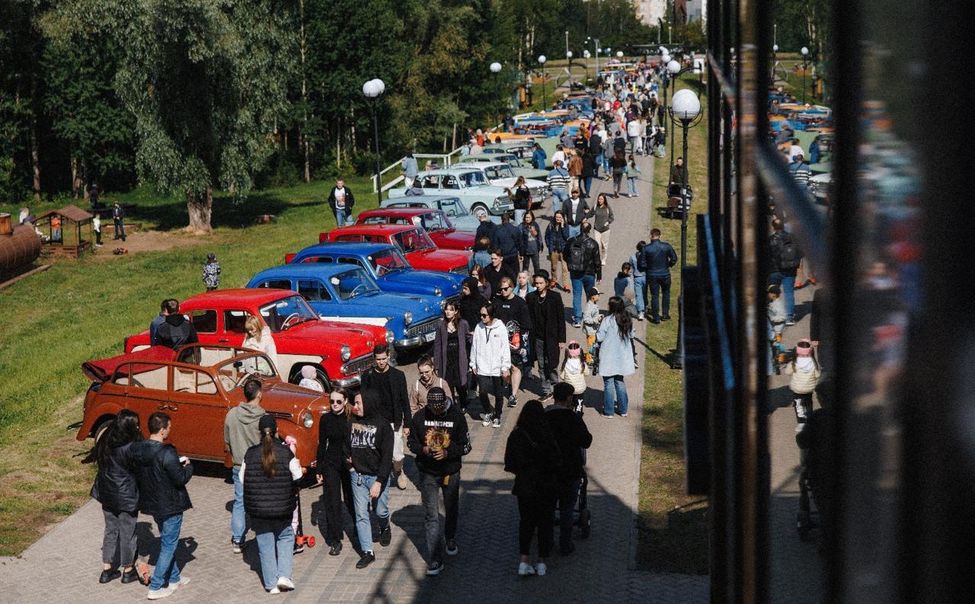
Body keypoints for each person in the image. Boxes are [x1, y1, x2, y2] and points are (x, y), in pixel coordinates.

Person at [407, 387, 470, 576]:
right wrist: (424, 450)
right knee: (431, 515)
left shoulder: (457, 416)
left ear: (445, 403)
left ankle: (450, 537)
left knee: (451, 508)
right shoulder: (419, 417)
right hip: (428, 473)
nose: (437, 412)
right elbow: (412, 443)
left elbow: (466, 446)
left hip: (450, 472)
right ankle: (435, 559)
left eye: (440, 409)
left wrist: (448, 452)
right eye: (433, 409)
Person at [130, 412, 192, 600]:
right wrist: (188, 466)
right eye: (169, 428)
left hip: (153, 503)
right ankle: (156, 586)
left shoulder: (138, 449)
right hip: (170, 504)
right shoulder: (166, 452)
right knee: (168, 545)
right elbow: (180, 478)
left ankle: (174, 579)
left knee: (167, 541)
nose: (170, 431)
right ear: (163, 430)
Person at [239, 414, 302, 593]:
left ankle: (270, 584)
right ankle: (284, 576)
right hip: (283, 508)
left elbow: (242, 479)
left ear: (259, 432)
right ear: (276, 431)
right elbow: (298, 476)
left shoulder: (250, 453)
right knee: (285, 538)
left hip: (258, 510)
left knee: (265, 542)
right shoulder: (285, 452)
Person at [84, 409, 144, 585]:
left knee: (111, 529)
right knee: (128, 532)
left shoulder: (106, 439)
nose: (139, 427)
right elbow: (139, 470)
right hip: (126, 495)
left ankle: (107, 569)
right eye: (137, 425)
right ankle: (128, 570)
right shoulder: (131, 447)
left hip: (106, 492)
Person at [503, 400, 560, 577]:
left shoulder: (516, 435)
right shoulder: (548, 434)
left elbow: (510, 464)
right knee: (545, 523)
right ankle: (542, 561)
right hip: (546, 485)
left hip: (525, 486)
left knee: (526, 524)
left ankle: (524, 561)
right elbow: (557, 460)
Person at [346, 389, 395, 569]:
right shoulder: (352, 422)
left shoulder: (383, 427)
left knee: (380, 510)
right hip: (357, 476)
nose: (355, 406)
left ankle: (385, 526)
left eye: (359, 403)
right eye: (355, 403)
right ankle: (368, 552)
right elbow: (345, 445)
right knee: (361, 514)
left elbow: (387, 457)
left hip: (377, 476)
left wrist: (379, 481)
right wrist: (350, 465)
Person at [545, 382, 593, 554]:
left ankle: (547, 543)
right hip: (569, 469)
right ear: (569, 398)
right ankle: (565, 544)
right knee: (567, 508)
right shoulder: (574, 419)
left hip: (548, 469)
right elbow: (586, 441)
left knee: (548, 507)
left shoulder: (544, 416)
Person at [360, 344, 411, 491]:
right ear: (374, 359)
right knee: (378, 452)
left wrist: (407, 423)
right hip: (375, 421)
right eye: (378, 359)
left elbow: (404, 401)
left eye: (384, 359)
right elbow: (363, 399)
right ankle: (381, 476)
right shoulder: (367, 376)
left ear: (388, 356)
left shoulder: (398, 375)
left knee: (397, 454)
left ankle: (398, 470)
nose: (381, 362)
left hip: (393, 421)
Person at [224, 378, 266, 553]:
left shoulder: (232, 414)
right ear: (259, 394)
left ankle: (237, 539)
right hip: (257, 465)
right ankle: (264, 533)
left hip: (238, 463)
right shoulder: (263, 417)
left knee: (240, 501)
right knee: (261, 500)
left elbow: (227, 442)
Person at [316, 388, 355, 556]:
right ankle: (335, 539)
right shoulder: (325, 419)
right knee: (332, 501)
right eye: (332, 401)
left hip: (348, 462)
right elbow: (322, 444)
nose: (334, 405)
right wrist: (319, 468)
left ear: (345, 401)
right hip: (331, 463)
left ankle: (358, 528)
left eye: (338, 401)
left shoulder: (351, 418)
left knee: (351, 497)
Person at [470, 301, 512, 428]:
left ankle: (497, 415)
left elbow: (505, 348)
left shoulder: (501, 328)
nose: (482, 318)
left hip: (496, 367)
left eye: (484, 315)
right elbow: (474, 346)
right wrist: (473, 363)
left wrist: (505, 366)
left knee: (499, 394)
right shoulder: (479, 327)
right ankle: (488, 411)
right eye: (481, 315)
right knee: (482, 392)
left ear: (491, 315)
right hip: (482, 365)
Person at [527, 271, 566, 401]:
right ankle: (546, 390)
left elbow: (561, 318)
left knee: (552, 363)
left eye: (540, 283)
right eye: (536, 283)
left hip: (552, 337)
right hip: (537, 337)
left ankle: (556, 387)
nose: (538, 285)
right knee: (542, 364)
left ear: (546, 283)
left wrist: (562, 339)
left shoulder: (555, 297)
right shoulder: (531, 297)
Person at [495, 275, 532, 408]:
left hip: (515, 340)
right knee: (503, 368)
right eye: (501, 289)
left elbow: (526, 324)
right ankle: (508, 383)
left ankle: (513, 394)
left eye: (505, 289)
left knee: (515, 366)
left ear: (512, 287)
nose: (503, 292)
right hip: (498, 340)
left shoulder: (520, 303)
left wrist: (521, 342)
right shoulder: (497, 301)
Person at [596, 296, 636, 417]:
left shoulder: (607, 320)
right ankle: (623, 410)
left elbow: (599, 337)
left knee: (608, 383)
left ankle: (609, 411)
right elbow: (632, 335)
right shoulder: (627, 319)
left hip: (609, 356)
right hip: (622, 358)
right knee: (619, 381)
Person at [433, 300, 471, 410]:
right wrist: (436, 364)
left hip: (459, 358)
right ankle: (452, 405)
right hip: (446, 360)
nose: (448, 312)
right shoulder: (441, 325)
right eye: (446, 309)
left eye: (451, 310)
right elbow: (437, 345)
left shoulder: (463, 323)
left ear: (456, 311)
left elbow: (468, 339)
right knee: (448, 384)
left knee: (461, 384)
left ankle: (463, 403)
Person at [565, 222, 601, 329]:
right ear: (589, 230)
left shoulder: (571, 241)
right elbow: (597, 261)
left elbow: (565, 254)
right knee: (590, 296)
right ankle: (590, 316)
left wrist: (570, 265)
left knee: (577, 295)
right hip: (589, 273)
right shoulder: (593, 243)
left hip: (575, 273)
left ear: (580, 229)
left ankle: (577, 319)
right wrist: (599, 275)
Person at [638, 228, 678, 323]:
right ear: (660, 235)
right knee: (666, 293)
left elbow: (642, 264)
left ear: (651, 235)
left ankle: (656, 318)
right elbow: (674, 258)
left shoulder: (646, 248)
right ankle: (665, 314)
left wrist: (649, 268)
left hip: (652, 274)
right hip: (665, 273)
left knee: (654, 295)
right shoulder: (666, 246)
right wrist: (668, 265)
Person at [768, 218, 802, 325]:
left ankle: (773, 315)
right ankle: (789, 317)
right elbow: (801, 253)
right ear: (783, 226)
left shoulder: (770, 239)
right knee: (789, 293)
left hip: (774, 270)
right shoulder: (793, 238)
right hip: (790, 270)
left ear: (773, 227)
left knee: (772, 291)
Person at [784, 339, 821, 430]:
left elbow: (787, 372)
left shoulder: (794, 363)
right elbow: (817, 375)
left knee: (798, 405)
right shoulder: (813, 363)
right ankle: (809, 421)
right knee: (808, 404)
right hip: (809, 389)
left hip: (797, 389)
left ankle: (801, 422)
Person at [544, 211, 571, 292]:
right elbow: (547, 236)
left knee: (565, 268)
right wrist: (549, 245)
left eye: (560, 217)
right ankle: (553, 280)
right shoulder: (550, 225)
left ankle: (566, 285)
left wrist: (562, 226)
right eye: (557, 217)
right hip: (554, 249)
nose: (558, 219)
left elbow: (566, 236)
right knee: (553, 267)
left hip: (563, 249)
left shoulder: (566, 225)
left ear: (563, 218)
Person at [493, 212, 524, 277]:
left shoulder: (498, 231)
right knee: (515, 274)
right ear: (509, 219)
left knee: (505, 274)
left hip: (503, 256)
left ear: (501, 220)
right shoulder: (515, 229)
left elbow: (495, 245)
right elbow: (520, 243)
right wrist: (521, 254)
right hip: (513, 255)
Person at [558, 343, 587, 410]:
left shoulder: (565, 363)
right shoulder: (582, 363)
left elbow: (562, 376)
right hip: (580, 389)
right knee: (579, 404)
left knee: (569, 403)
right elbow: (587, 373)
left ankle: (569, 415)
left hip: (569, 389)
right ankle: (578, 415)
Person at [591, 193, 614, 266]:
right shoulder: (595, 207)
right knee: (597, 245)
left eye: (601, 199)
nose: (600, 200)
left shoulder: (607, 207)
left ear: (604, 200)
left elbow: (612, 217)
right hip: (597, 229)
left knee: (604, 246)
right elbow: (590, 213)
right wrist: (585, 218)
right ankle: (598, 259)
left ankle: (603, 259)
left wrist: (608, 222)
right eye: (599, 199)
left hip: (605, 230)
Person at [582, 287, 602, 365]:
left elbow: (594, 316)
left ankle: (591, 356)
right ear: (593, 297)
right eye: (598, 295)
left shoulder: (593, 304)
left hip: (593, 330)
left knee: (593, 344)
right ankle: (589, 360)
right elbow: (586, 319)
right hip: (590, 331)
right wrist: (596, 320)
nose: (599, 297)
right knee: (591, 345)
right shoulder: (589, 307)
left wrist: (599, 316)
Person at [520, 211, 544, 275]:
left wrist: (541, 245)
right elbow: (520, 239)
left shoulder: (535, 224)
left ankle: (537, 280)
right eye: (526, 217)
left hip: (535, 249)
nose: (527, 219)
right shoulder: (521, 226)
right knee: (525, 268)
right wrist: (521, 252)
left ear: (532, 218)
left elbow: (539, 235)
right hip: (526, 250)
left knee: (537, 267)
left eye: (529, 217)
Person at [629, 242, 648, 322]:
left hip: (637, 277)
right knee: (644, 293)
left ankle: (641, 311)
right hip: (646, 277)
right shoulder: (647, 256)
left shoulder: (633, 257)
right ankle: (644, 308)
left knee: (638, 294)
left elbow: (630, 268)